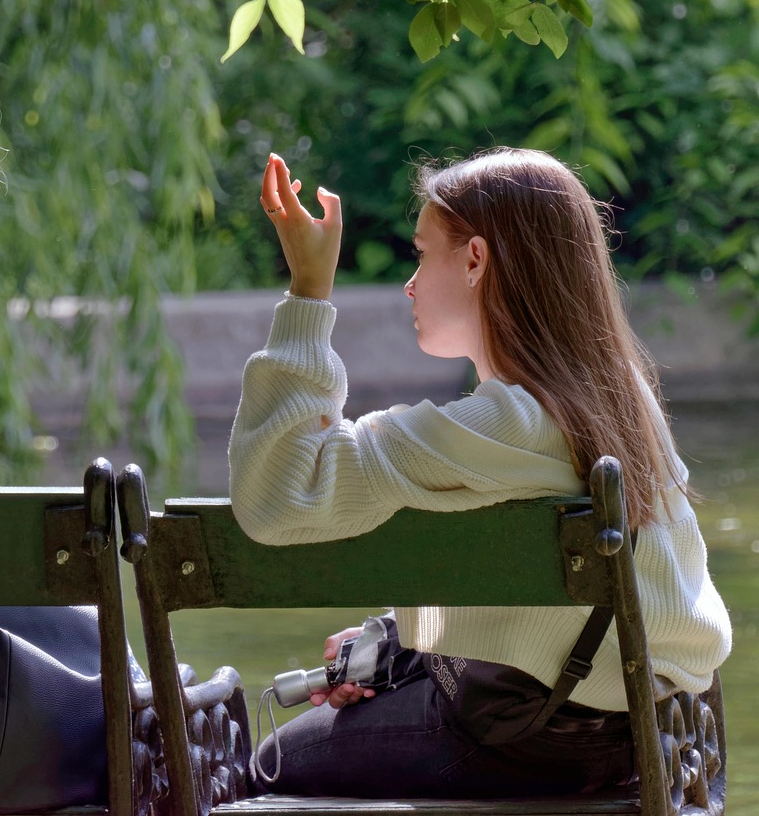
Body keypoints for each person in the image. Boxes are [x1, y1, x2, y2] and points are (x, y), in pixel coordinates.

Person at [230, 148, 731, 797]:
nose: (410, 281)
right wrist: (403, 641)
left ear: (474, 260)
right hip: (661, 728)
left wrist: (307, 291)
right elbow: (549, 615)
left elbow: (275, 497)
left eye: (420, 252)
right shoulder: (621, 400)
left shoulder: (494, 425)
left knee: (263, 765)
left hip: (531, 740)